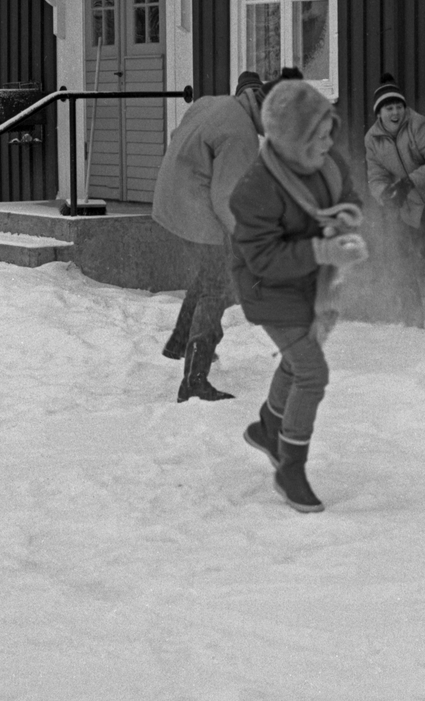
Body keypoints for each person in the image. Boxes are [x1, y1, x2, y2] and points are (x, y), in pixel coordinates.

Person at [230, 78, 367, 513]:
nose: (329, 142)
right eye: (318, 135)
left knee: (297, 359)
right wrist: (322, 249)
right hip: (267, 287)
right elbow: (264, 259)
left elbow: (346, 193)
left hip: (313, 281)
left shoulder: (326, 162)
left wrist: (346, 217)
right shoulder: (254, 190)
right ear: (290, 140)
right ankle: (291, 467)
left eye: (330, 131)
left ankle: (270, 425)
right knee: (311, 372)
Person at [153, 67, 301, 402]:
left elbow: (179, 135)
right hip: (195, 206)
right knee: (216, 288)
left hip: (171, 193)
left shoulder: (213, 103)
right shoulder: (241, 133)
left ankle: (180, 341)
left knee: (208, 274)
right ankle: (194, 379)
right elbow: (227, 197)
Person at [364, 72, 425, 324]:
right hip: (412, 208)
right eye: (389, 108)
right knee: (406, 260)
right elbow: (375, 178)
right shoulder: (372, 140)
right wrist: (385, 195)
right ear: (380, 113)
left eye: (398, 106)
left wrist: (409, 181)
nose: (395, 112)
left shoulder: (419, 125)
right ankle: (413, 320)